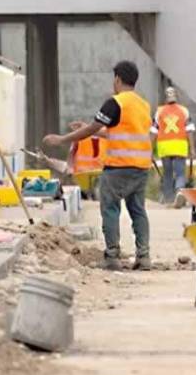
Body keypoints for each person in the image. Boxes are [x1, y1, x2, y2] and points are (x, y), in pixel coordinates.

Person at [43, 60, 152, 271]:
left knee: (110, 209)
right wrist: (88, 128)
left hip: (118, 167)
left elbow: (93, 128)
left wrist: (62, 139)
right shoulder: (143, 105)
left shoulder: (115, 102)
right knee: (138, 210)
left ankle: (112, 257)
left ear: (118, 79)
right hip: (141, 167)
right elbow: (117, 131)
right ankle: (144, 256)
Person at [151, 86, 195, 204]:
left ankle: (168, 198)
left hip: (164, 147)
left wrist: (150, 150)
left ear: (165, 98)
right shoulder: (184, 111)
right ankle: (179, 192)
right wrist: (192, 149)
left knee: (167, 174)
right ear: (177, 97)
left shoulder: (159, 111)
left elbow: (154, 132)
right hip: (180, 146)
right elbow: (189, 130)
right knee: (180, 173)